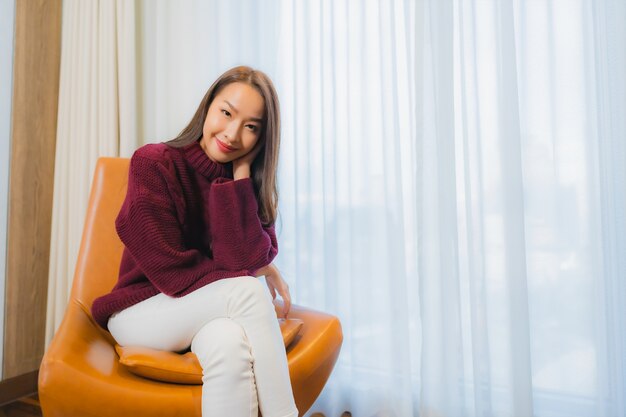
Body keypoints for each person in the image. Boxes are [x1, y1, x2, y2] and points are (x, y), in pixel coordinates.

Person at [91, 66, 299, 417]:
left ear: (263, 139)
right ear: (208, 106)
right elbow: (173, 273)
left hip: (201, 316)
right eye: (226, 113)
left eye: (251, 127)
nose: (232, 134)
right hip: (140, 312)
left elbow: (240, 259)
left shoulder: (250, 188)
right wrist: (257, 269)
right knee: (249, 290)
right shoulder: (154, 163)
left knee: (230, 346)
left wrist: (240, 179)